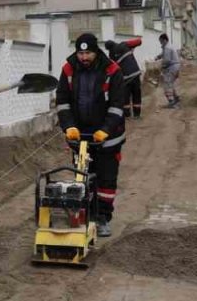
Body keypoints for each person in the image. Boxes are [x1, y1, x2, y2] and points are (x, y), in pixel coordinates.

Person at [56, 33, 127, 238]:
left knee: (106, 178)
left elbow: (116, 105)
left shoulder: (112, 70)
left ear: (96, 52)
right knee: (83, 176)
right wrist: (68, 126)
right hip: (80, 137)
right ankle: (85, 213)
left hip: (108, 138)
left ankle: (103, 217)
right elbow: (62, 101)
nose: (84, 57)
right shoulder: (68, 69)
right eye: (80, 53)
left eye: (88, 53)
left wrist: (106, 129)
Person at [106, 37, 144, 118]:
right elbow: (139, 41)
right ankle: (137, 115)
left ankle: (127, 115)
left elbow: (111, 69)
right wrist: (131, 47)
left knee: (126, 96)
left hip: (125, 78)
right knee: (136, 94)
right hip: (135, 74)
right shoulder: (124, 44)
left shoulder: (111, 55)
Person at [159, 33, 182, 108]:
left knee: (167, 84)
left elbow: (167, 60)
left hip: (172, 67)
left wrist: (162, 66)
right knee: (170, 83)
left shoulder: (167, 48)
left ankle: (172, 102)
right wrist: (158, 57)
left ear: (164, 40)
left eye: (161, 41)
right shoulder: (168, 46)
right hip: (176, 66)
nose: (160, 43)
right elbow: (163, 54)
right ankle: (176, 99)